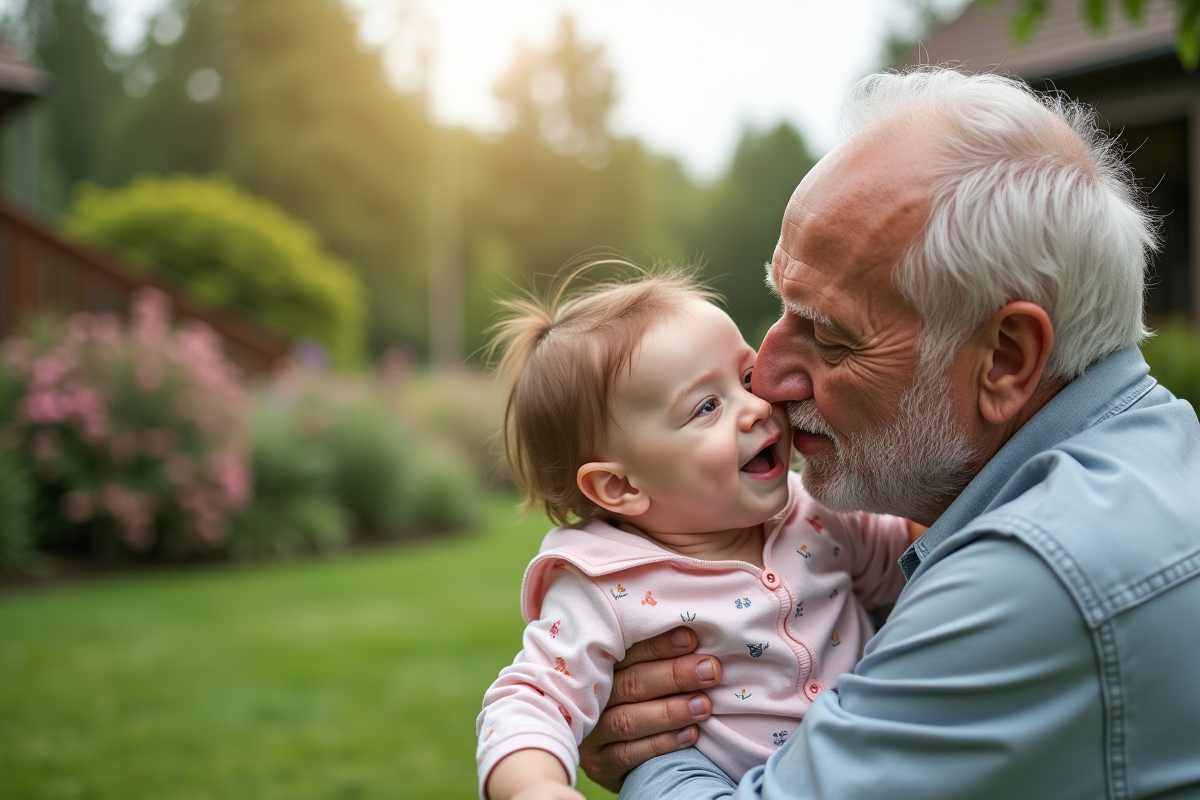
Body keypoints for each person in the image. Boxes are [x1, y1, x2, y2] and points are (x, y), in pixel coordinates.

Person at [577, 67, 1200, 800]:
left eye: (831, 336)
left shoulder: (1030, 578)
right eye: (783, 307)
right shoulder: (1156, 451)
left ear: (1005, 359)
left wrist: (655, 751)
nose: (766, 377)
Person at [476, 270, 924, 800]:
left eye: (748, 376)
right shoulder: (606, 585)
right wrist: (535, 788)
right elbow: (532, 698)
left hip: (869, 752)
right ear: (619, 485)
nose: (757, 407)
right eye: (707, 406)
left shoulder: (819, 513)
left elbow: (920, 563)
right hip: (722, 783)